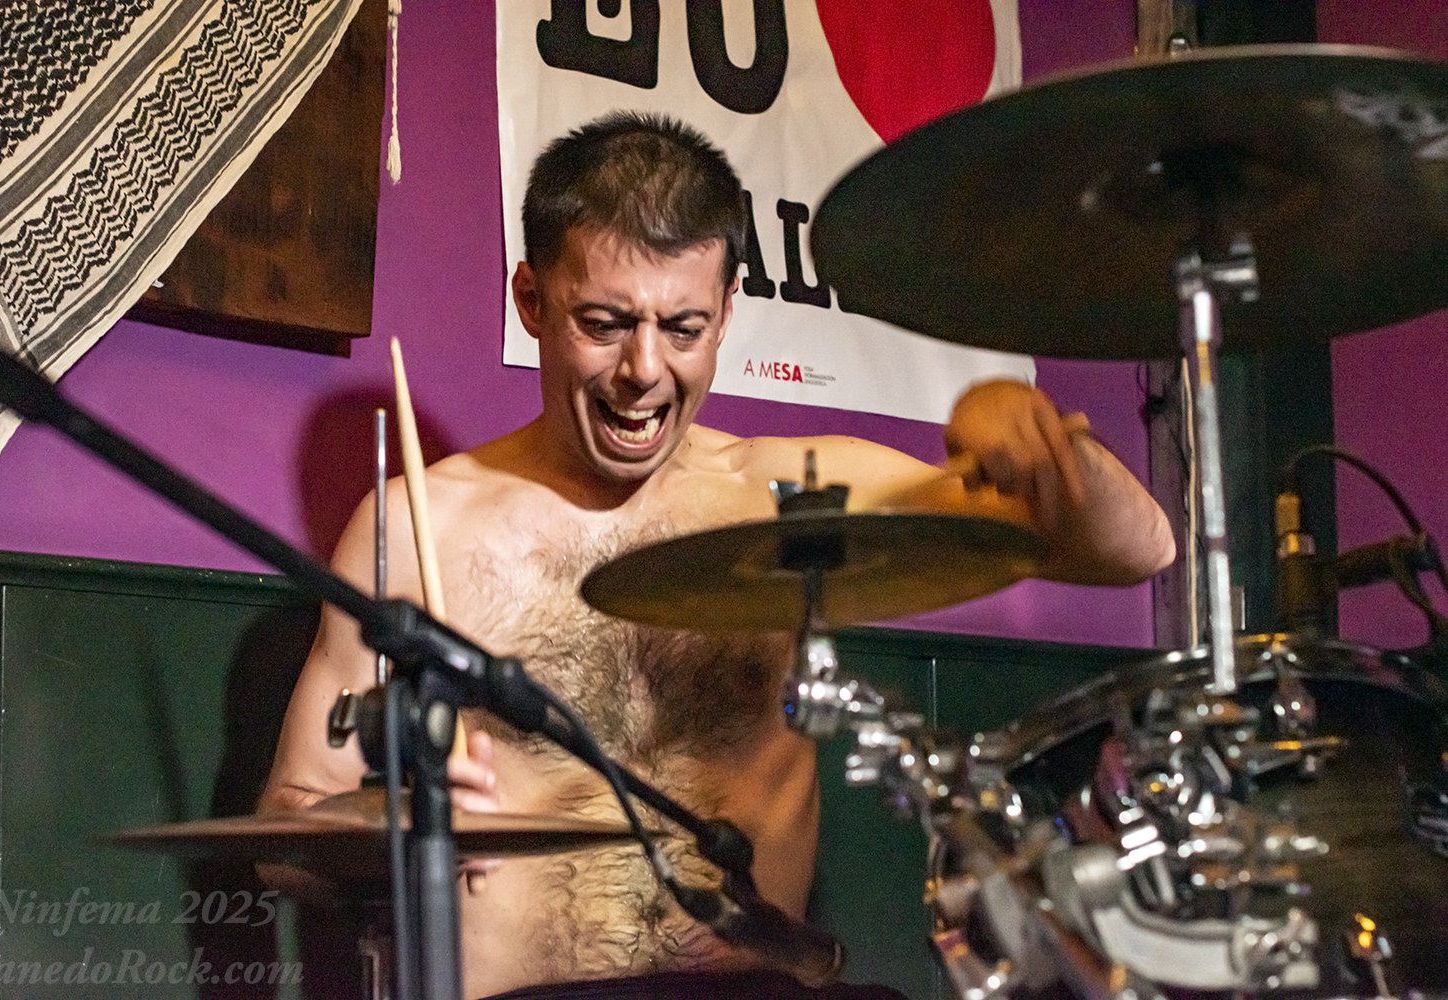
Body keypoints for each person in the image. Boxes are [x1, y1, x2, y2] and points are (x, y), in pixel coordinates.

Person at [259, 111, 1175, 999]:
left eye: (684, 328)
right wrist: (396, 828)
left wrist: (1023, 429)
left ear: (730, 309)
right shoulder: (419, 524)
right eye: (604, 323)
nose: (644, 370)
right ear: (531, 301)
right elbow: (282, 834)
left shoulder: (789, 500)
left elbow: (1140, 548)